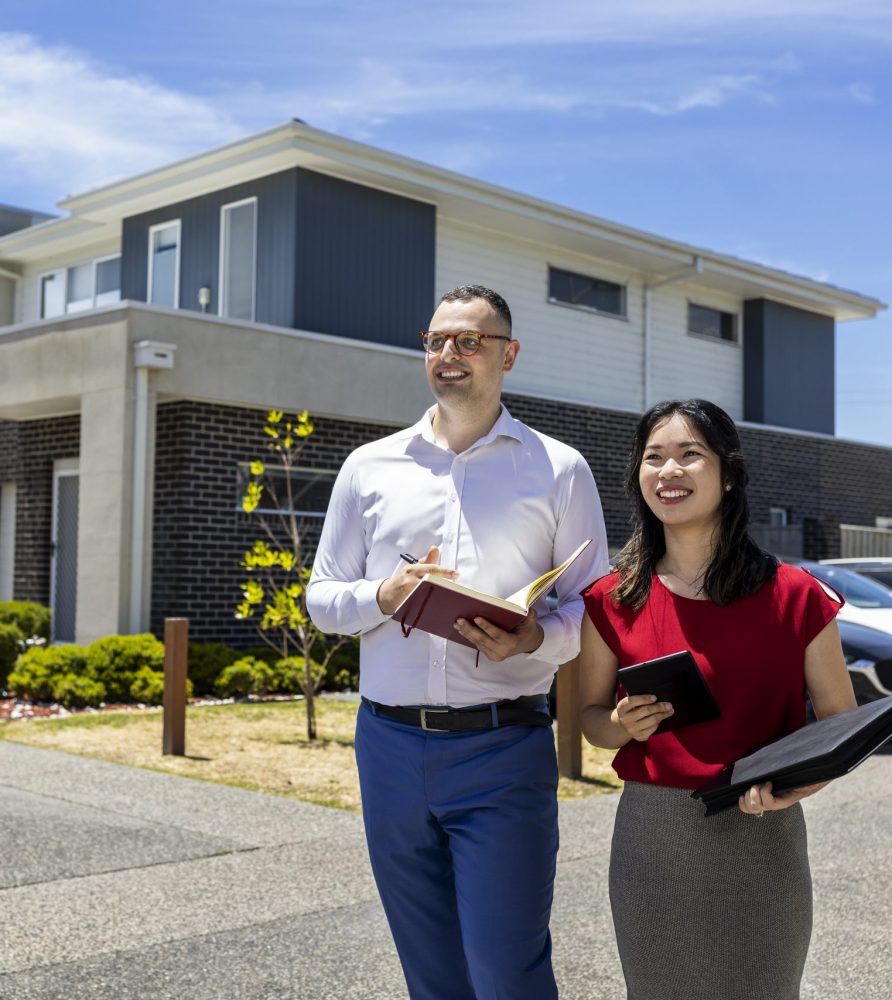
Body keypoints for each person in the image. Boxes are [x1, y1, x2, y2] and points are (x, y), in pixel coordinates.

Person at [307, 284, 608, 999]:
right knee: (431, 974)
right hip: (388, 748)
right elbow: (321, 598)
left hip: (503, 750)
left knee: (508, 972)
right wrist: (385, 595)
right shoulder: (369, 466)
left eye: (469, 341)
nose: (449, 355)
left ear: (509, 354)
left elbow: (593, 608)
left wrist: (534, 637)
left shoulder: (558, 469)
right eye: (437, 340)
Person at [579, 398, 857, 1000]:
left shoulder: (796, 596)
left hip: (763, 836)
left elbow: (841, 727)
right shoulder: (610, 598)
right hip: (654, 839)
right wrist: (625, 724)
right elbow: (591, 722)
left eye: (689, 455)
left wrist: (794, 789)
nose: (668, 471)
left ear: (728, 475)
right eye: (653, 458)